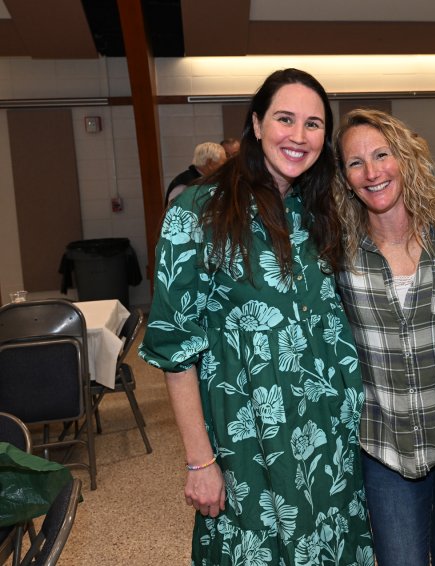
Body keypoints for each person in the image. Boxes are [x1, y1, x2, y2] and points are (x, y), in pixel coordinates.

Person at [139, 68, 373, 565]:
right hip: (252, 444)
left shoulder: (318, 207)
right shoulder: (200, 212)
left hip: (329, 441)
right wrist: (200, 461)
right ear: (257, 123)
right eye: (285, 119)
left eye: (314, 124)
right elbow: (175, 348)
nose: (299, 135)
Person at [331, 109, 435, 566]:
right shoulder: (338, 253)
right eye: (356, 163)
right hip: (384, 449)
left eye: (381, 155)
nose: (372, 173)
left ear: (405, 158)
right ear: (344, 177)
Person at [164, 141, 226, 206]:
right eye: (223, 164)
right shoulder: (183, 185)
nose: (224, 167)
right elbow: (175, 213)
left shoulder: (214, 180)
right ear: (209, 163)